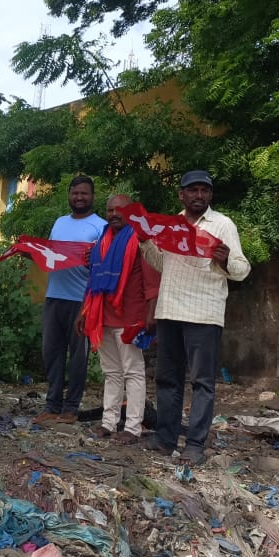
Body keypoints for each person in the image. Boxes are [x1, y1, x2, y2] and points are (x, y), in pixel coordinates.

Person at [140, 170, 250, 465]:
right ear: (182, 194)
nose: (199, 195)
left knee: (202, 382)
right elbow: (161, 264)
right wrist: (145, 243)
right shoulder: (171, 225)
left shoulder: (223, 225)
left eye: (204, 190)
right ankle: (165, 439)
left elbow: (242, 269)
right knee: (167, 379)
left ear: (210, 195)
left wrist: (226, 259)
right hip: (170, 310)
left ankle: (195, 446)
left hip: (204, 313)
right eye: (193, 190)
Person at [78, 194, 159, 442]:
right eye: (110, 209)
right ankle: (108, 424)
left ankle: (133, 428)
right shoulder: (102, 240)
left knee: (133, 372)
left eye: (119, 210)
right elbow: (93, 279)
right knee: (111, 373)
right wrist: (85, 312)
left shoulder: (140, 240)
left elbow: (152, 279)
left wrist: (151, 311)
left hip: (131, 317)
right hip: (103, 316)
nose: (114, 214)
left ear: (131, 212)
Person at [35, 175, 106, 424]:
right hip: (54, 296)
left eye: (84, 193)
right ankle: (52, 405)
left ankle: (71, 408)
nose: (79, 197)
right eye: (75, 193)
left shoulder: (101, 226)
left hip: (82, 300)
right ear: (69, 195)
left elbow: (106, 264)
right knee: (51, 353)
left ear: (92, 197)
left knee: (78, 357)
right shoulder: (59, 222)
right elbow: (51, 254)